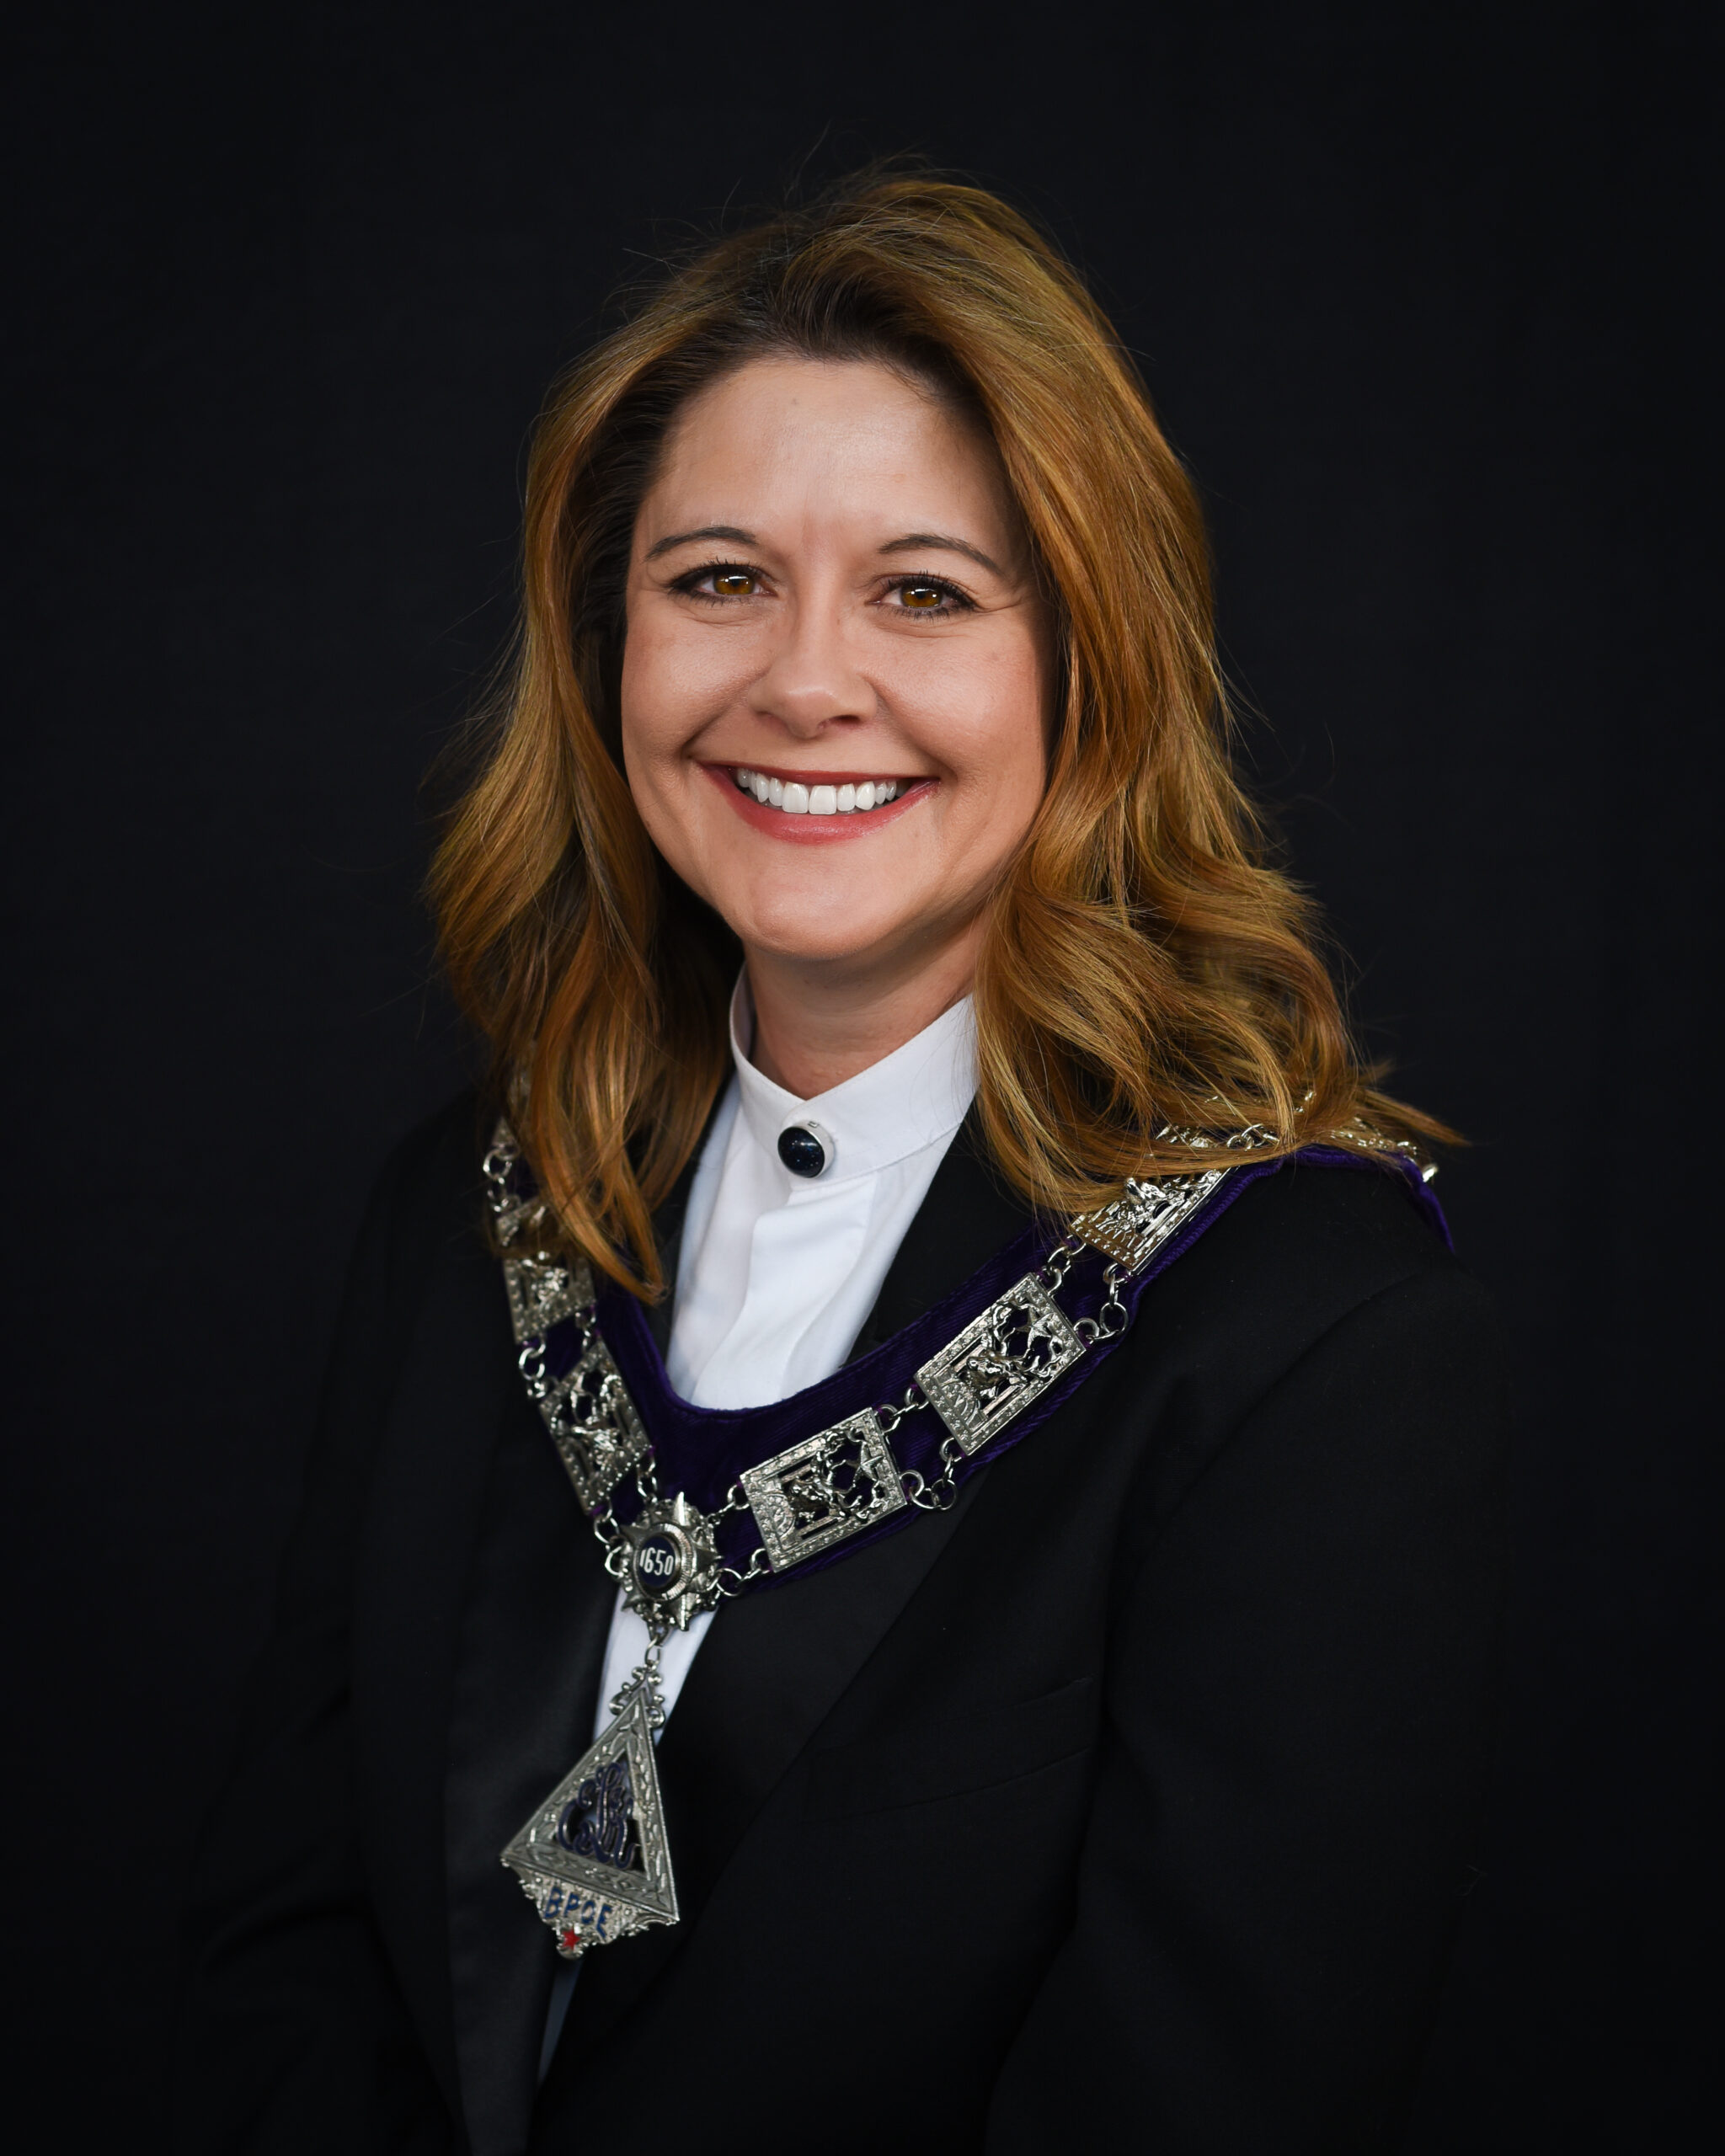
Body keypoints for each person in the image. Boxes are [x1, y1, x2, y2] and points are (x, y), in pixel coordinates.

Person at [174, 174, 1507, 2155]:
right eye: (717, 578)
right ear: (606, 644)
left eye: (924, 591)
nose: (803, 682)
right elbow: (286, 1950)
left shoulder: (1310, 1334)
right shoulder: (469, 1209)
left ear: (1089, 664)